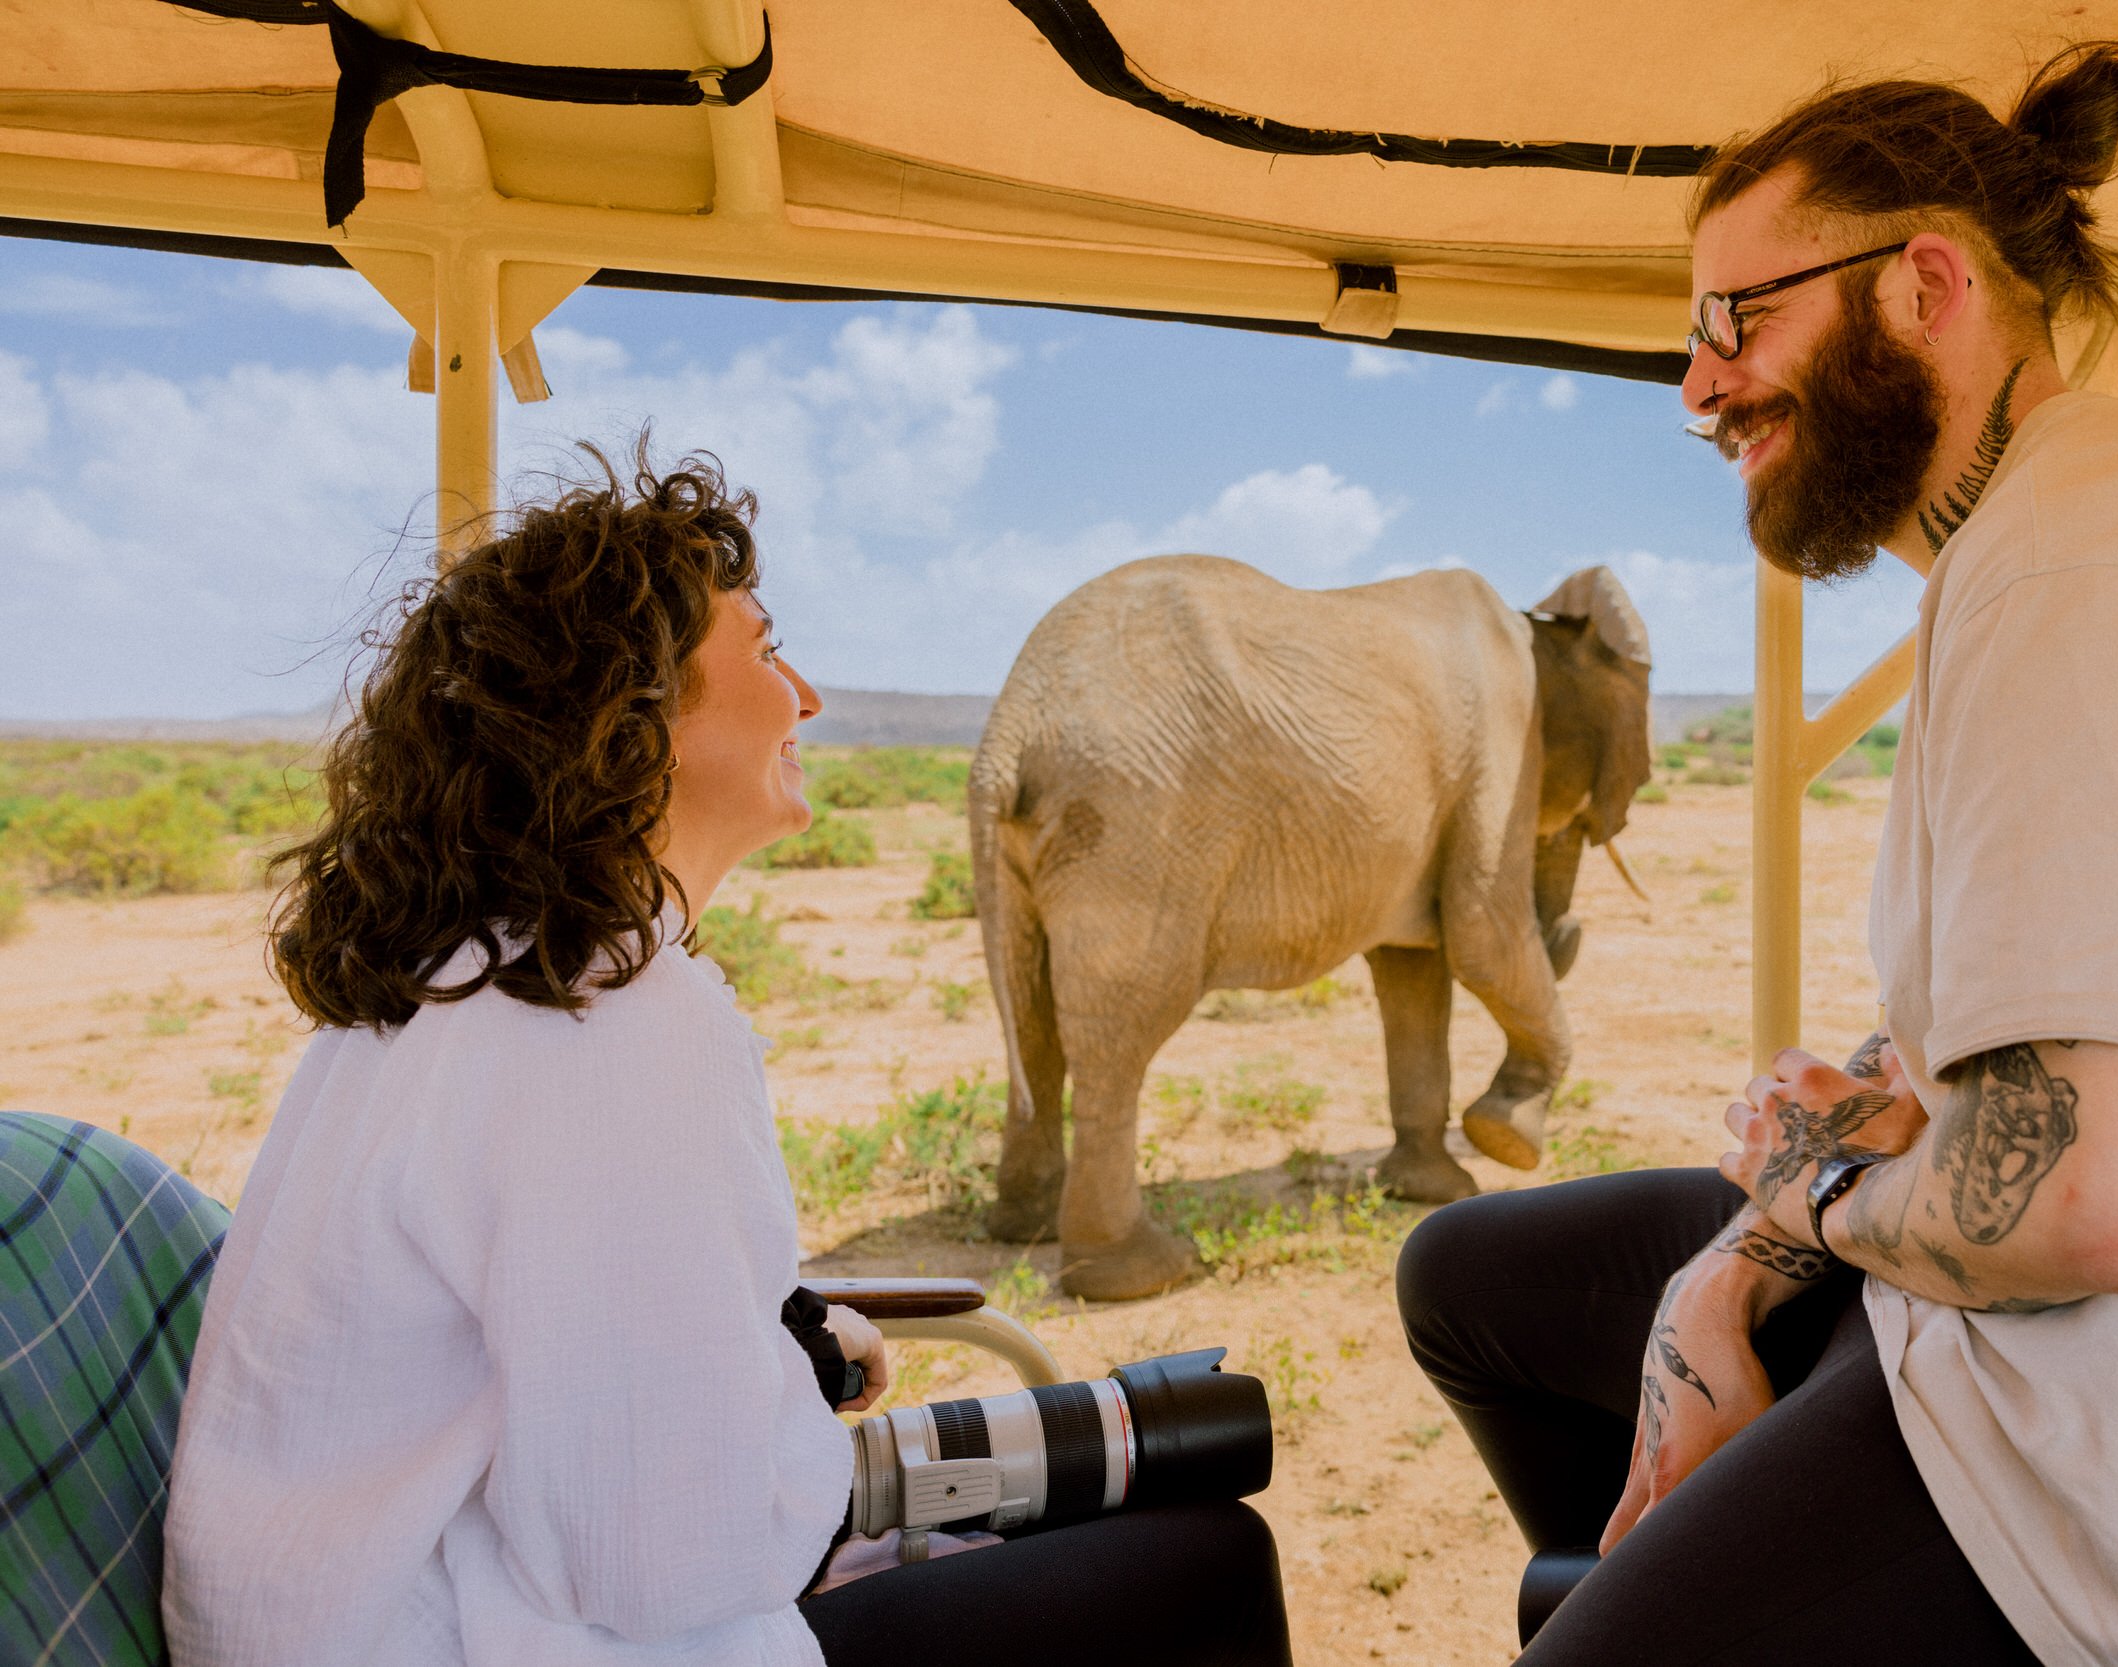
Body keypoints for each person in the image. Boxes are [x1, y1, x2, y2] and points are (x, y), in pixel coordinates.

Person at [1399, 43, 2118, 1667]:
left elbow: (2113, 1195)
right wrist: (1727, 1271)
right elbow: (2000, 1041)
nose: (1697, 385)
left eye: (1739, 319)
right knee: (1473, 1272)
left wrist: (1819, 1201)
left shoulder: (2096, 555)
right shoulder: (2056, 547)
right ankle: (1645, 1560)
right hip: (2045, 1324)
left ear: (1925, 286)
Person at [163, 446, 1293, 1667]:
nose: (804, 694)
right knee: (1206, 1553)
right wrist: (807, 1421)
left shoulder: (459, 976)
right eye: (762, 651)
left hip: (379, 1610)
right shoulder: (603, 1019)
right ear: (631, 716)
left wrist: (774, 1360)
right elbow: (666, 1556)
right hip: (482, 1634)